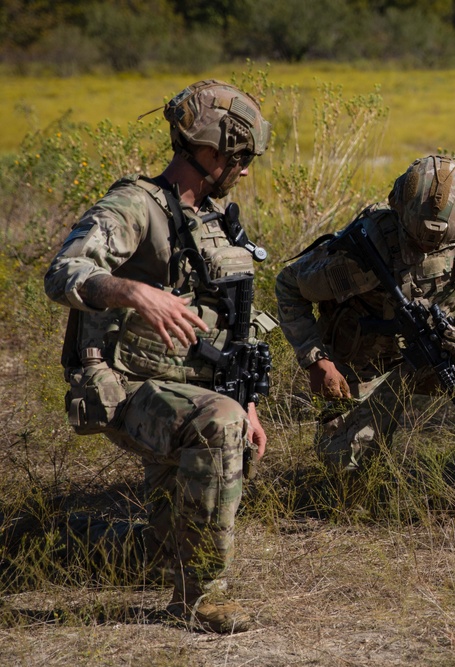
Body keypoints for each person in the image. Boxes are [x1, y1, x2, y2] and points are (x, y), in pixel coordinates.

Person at [44, 80, 274, 633]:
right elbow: (64, 271)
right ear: (210, 152)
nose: (243, 171)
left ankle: (55, 536)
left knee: (156, 544)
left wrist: (248, 403)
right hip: (127, 387)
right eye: (239, 158)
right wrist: (133, 291)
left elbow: (230, 329)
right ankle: (201, 597)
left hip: (186, 386)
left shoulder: (216, 221)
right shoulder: (135, 206)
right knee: (216, 427)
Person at [275, 155, 455, 529]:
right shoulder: (366, 245)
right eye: (418, 239)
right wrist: (317, 361)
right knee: (346, 494)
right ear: (400, 212)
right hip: (367, 364)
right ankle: (360, 482)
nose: (426, 248)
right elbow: (289, 286)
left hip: (442, 355)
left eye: (439, 242)